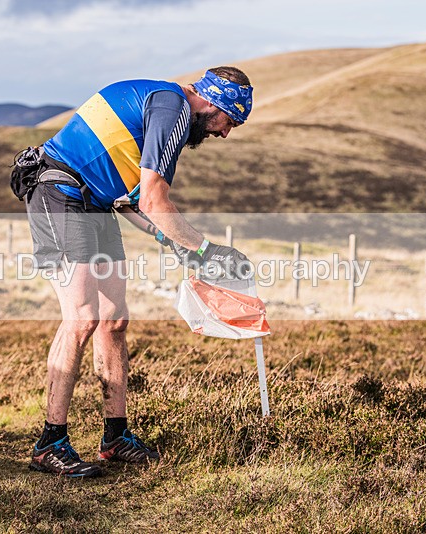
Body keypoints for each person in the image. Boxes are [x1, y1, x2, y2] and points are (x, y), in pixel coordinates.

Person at [24, 66, 254, 477]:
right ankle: (49, 443)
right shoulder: (174, 108)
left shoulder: (165, 107)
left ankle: (114, 437)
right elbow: (154, 200)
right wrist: (205, 250)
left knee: (113, 319)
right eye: (229, 120)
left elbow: (132, 202)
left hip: (94, 200)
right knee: (82, 318)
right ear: (212, 103)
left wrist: (177, 246)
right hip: (58, 189)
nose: (225, 133)